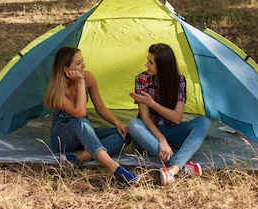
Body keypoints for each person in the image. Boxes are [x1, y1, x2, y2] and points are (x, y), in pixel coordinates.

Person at [44, 46, 139, 187]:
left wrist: (117, 123)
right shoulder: (57, 91)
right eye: (78, 63)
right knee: (81, 122)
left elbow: (100, 107)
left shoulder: (88, 77)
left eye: (82, 61)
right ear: (65, 69)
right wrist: (80, 83)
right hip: (63, 139)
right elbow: (80, 113)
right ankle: (116, 169)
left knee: (125, 135)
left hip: (84, 133)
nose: (84, 65)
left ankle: (77, 158)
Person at [128, 43, 211, 185]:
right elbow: (145, 117)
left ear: (162, 66)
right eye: (148, 60)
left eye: (151, 62)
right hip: (149, 135)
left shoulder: (179, 82)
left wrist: (152, 103)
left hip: (172, 130)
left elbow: (176, 118)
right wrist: (161, 139)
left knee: (204, 122)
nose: (146, 64)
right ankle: (182, 166)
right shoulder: (141, 79)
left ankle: (172, 170)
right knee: (133, 125)